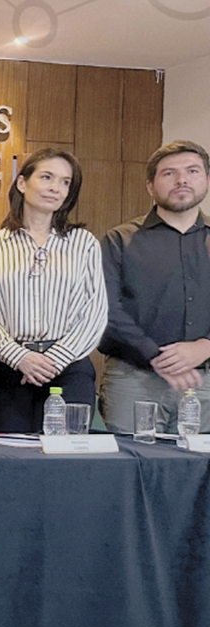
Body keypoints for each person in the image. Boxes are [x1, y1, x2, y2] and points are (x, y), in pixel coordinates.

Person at [0, 148, 106, 432]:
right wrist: (19, 357)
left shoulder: (84, 243)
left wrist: (54, 359)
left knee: (66, 464)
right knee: (9, 460)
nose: (56, 188)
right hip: (6, 370)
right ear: (22, 183)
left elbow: (95, 312)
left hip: (69, 368)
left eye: (65, 182)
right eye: (47, 177)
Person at [98, 140, 210, 433]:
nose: (182, 179)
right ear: (150, 186)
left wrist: (205, 346)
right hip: (132, 380)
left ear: (206, 180)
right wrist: (153, 354)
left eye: (192, 171)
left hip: (204, 382)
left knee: (198, 475)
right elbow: (106, 310)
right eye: (169, 173)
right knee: (133, 471)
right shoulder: (118, 240)